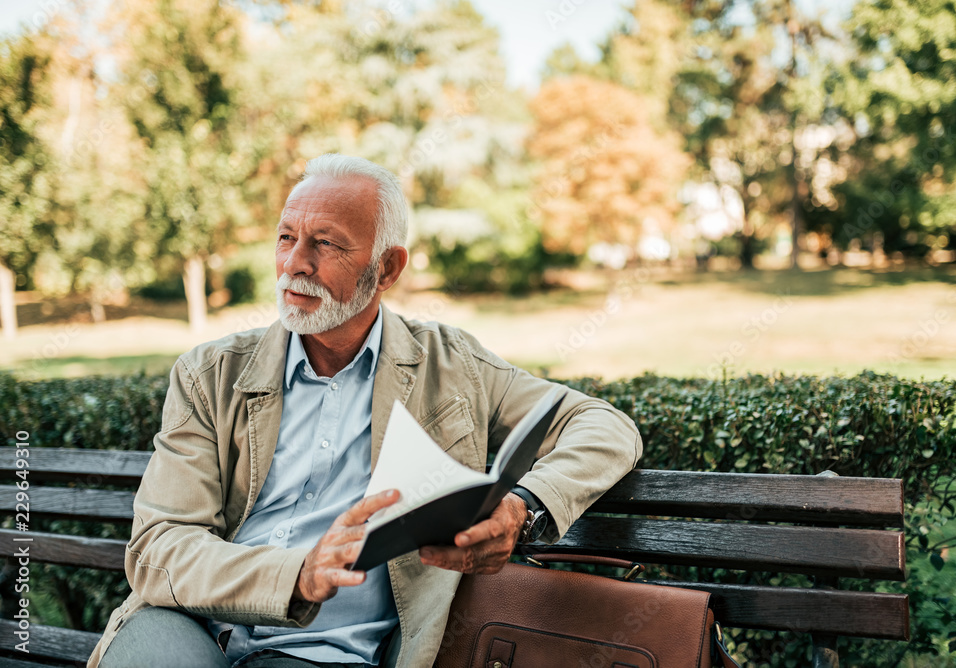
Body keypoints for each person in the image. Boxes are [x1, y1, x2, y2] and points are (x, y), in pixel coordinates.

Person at [89, 154, 642, 668]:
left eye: (326, 243)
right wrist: (297, 574)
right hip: (190, 625)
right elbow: (160, 546)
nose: (294, 263)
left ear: (387, 267)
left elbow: (604, 426)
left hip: (320, 650)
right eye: (286, 237)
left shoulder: (451, 366)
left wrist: (523, 509)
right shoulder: (209, 374)